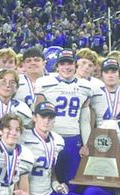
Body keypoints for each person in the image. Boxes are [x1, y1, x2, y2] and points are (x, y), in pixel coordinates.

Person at [33, 49, 95, 185]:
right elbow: (38, 115)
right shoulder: (44, 83)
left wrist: (86, 144)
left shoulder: (86, 86)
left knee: (72, 180)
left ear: (75, 65)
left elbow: (84, 120)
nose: (66, 67)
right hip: (51, 136)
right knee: (48, 178)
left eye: (70, 63)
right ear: (57, 66)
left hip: (73, 138)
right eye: (62, 64)